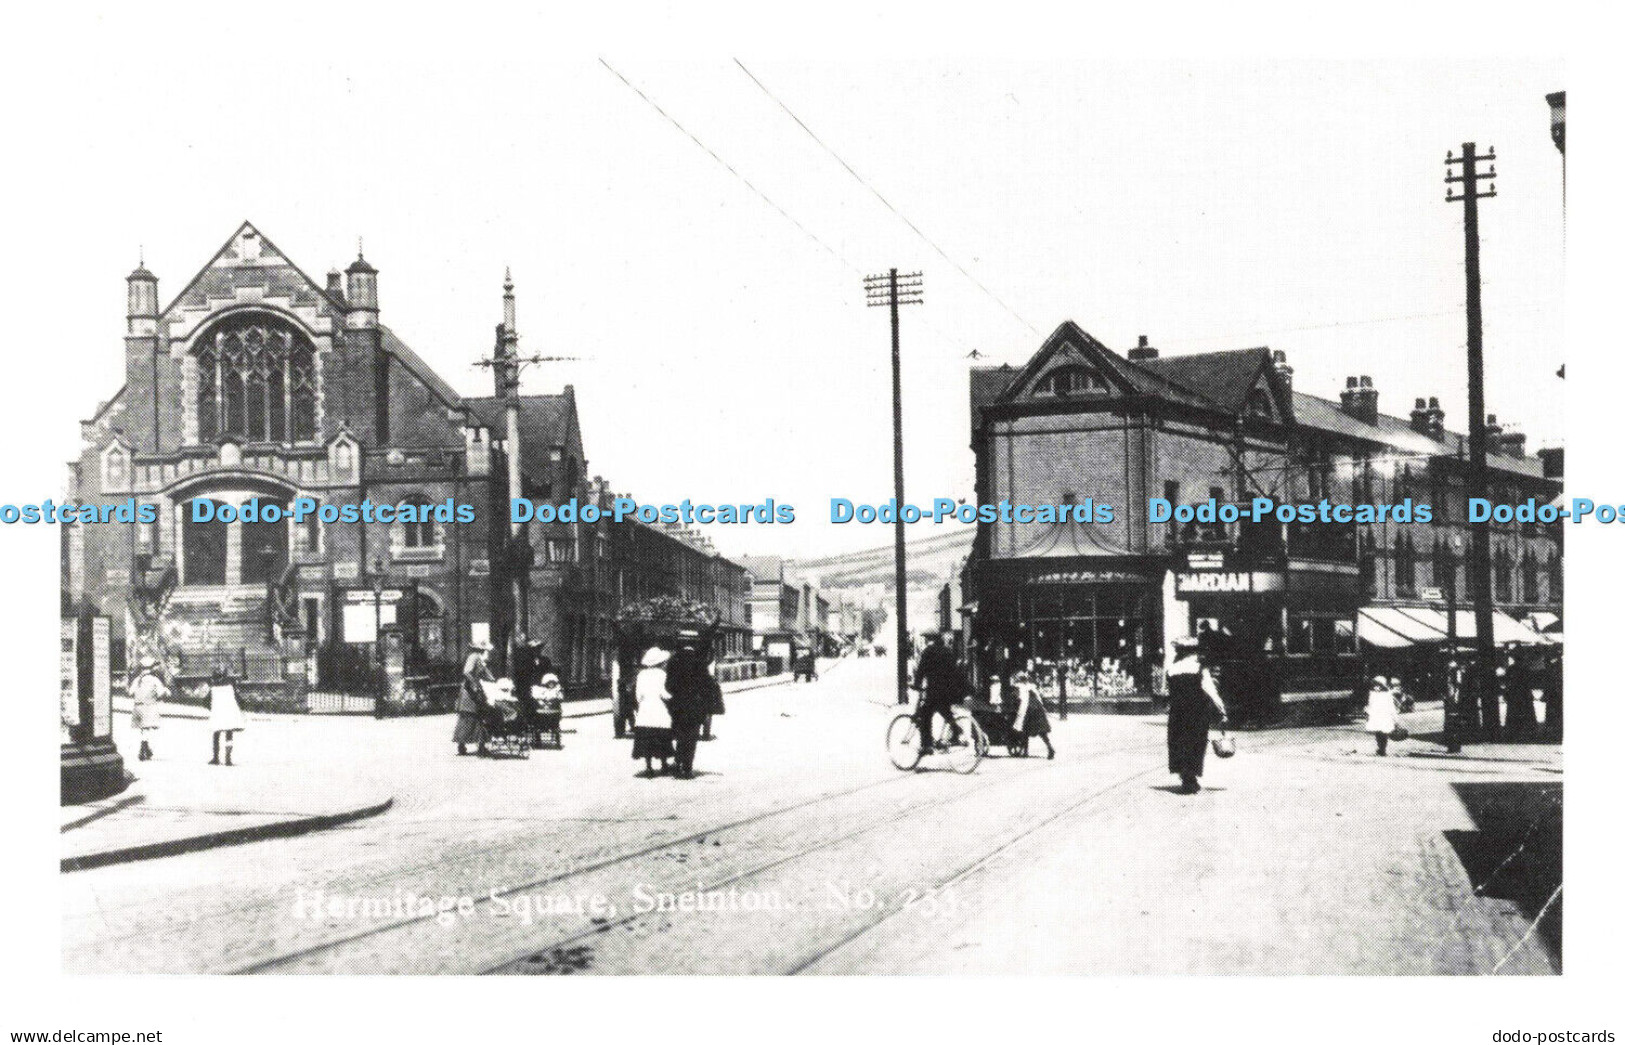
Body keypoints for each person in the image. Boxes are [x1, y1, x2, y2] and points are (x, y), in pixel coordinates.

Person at [1166, 637, 1226, 793]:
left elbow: (1168, 692)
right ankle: (1191, 777)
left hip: (1177, 713)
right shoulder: (1199, 668)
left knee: (1179, 743)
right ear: (1192, 652)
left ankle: (1185, 777)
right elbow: (1211, 690)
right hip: (1196, 713)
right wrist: (1221, 709)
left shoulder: (1171, 670)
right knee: (1195, 743)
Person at [666, 646, 719, 779]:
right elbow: (708, 685)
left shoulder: (674, 662)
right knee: (692, 737)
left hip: (678, 706)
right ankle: (687, 768)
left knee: (680, 736)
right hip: (695, 706)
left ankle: (678, 763)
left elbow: (668, 685)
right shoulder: (700, 662)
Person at [911, 632, 964, 759]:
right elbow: (955, 670)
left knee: (925, 714)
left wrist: (917, 685)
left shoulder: (928, 651)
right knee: (945, 711)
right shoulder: (947, 651)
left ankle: (926, 745)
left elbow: (921, 671)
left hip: (935, 691)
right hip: (949, 691)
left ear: (928, 639)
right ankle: (956, 731)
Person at [632, 646, 675, 774]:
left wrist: (642, 703)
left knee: (646, 739)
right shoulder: (662, 675)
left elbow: (638, 695)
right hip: (659, 709)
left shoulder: (641, 675)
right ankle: (663, 764)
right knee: (661, 737)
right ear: (660, 662)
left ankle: (649, 766)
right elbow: (664, 694)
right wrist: (672, 698)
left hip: (645, 711)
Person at [454, 640, 494, 756]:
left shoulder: (479, 659)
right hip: (470, 693)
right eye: (483, 649)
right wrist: (474, 684)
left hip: (474, 692)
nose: (484, 651)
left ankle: (476, 745)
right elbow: (467, 672)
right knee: (472, 716)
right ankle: (468, 745)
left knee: (477, 717)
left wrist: (493, 681)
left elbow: (487, 674)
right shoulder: (474, 656)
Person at [129, 655, 170, 762]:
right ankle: (142, 750)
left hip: (138, 706)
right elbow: (160, 693)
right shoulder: (154, 680)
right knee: (146, 729)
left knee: (143, 729)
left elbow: (130, 692)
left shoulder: (137, 680)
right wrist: (165, 690)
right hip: (149, 705)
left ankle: (146, 749)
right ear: (151, 668)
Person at [207, 667, 247, 766]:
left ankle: (215, 758)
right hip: (229, 713)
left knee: (216, 735)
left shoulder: (213, 688)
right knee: (229, 735)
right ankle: (228, 759)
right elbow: (239, 699)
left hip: (218, 714)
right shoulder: (230, 686)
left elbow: (205, 702)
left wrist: (212, 708)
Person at [1012, 669, 1055, 759]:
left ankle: (1026, 752)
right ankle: (1050, 747)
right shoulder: (1032, 686)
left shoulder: (1019, 687)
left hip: (1028, 709)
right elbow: (1039, 698)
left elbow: (1019, 699)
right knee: (1042, 731)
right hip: (1037, 708)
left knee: (1024, 729)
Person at [1366, 675, 1399, 756]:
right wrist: (1368, 714)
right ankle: (1381, 748)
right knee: (1379, 733)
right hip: (1378, 715)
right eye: (1375, 684)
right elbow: (1370, 705)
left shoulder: (1386, 694)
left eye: (1378, 684)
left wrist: (1395, 719)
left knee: (1383, 733)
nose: (1376, 686)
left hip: (1384, 715)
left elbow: (1391, 707)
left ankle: (1382, 749)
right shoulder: (1373, 694)